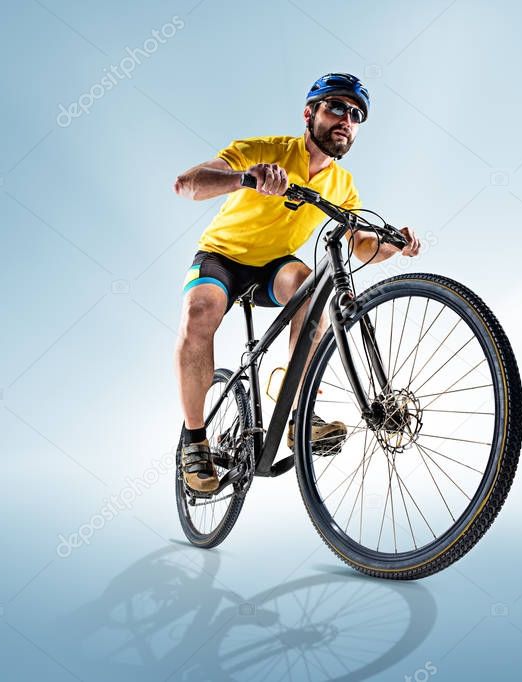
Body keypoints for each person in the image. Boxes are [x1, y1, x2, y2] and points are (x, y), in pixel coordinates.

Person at [173, 73, 422, 493]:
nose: (347, 118)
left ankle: (298, 417)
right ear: (310, 113)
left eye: (357, 114)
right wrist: (245, 178)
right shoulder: (266, 150)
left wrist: (394, 243)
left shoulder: (343, 185)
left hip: (274, 269)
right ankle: (195, 440)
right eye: (336, 107)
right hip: (222, 259)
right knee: (201, 313)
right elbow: (187, 184)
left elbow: (361, 245)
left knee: (308, 284)